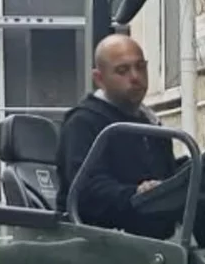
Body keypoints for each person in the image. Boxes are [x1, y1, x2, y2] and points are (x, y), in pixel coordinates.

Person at [58, 34, 179, 237]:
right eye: (122, 70)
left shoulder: (150, 122)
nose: (135, 77)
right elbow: (86, 190)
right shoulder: (83, 122)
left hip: (154, 244)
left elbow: (165, 174)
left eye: (140, 67)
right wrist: (137, 194)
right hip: (100, 244)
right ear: (99, 78)